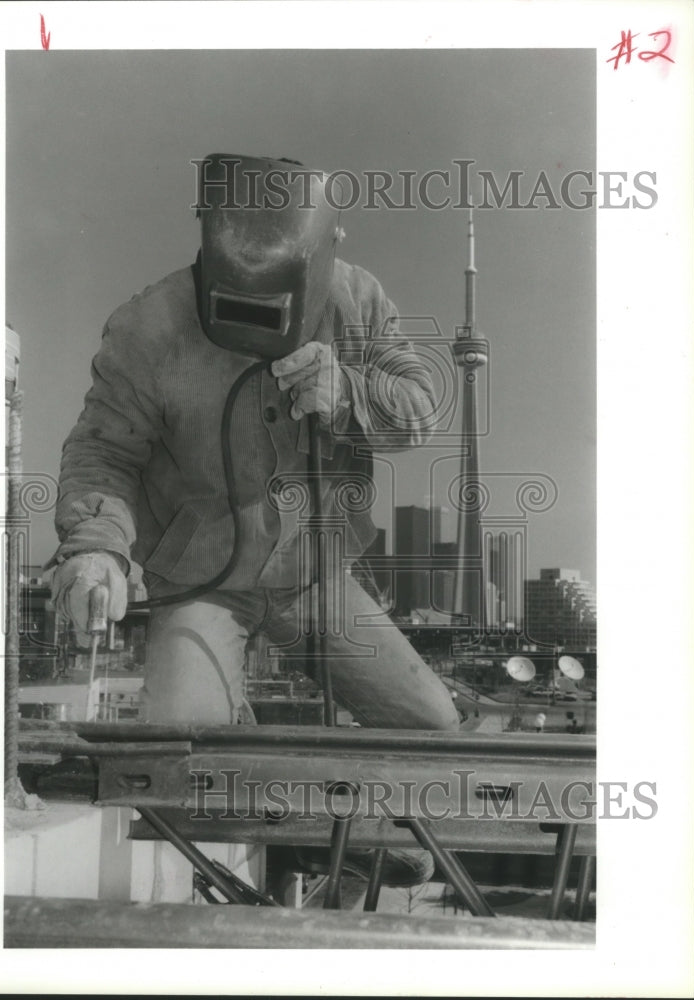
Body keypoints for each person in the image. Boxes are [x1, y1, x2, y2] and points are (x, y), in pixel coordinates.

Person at [50, 153, 459, 886]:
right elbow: (102, 452)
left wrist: (349, 392)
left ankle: (319, 833)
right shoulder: (150, 326)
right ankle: (287, 826)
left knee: (433, 725)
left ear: (324, 254)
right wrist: (95, 548)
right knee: (178, 755)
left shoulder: (357, 300)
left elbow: (420, 410)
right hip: (202, 582)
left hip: (311, 575)